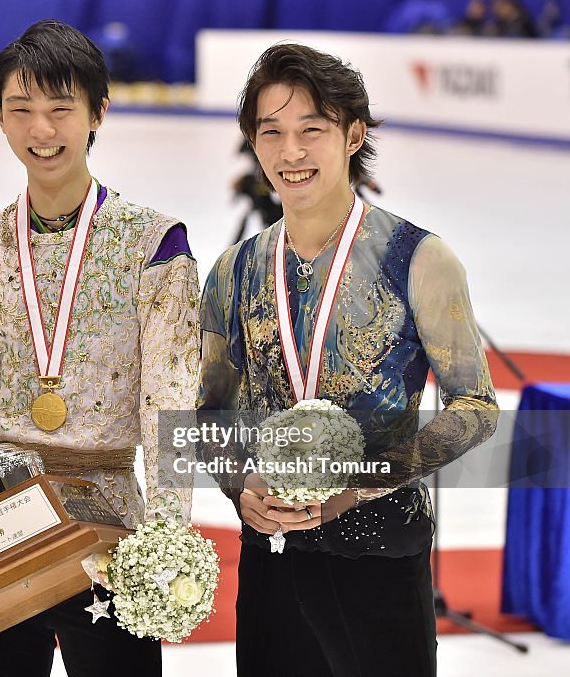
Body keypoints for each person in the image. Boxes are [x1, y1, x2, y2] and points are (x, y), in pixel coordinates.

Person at [198, 44, 498, 675]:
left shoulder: (420, 259)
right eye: (271, 132)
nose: (292, 152)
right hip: (273, 550)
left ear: (354, 135)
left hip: (381, 552)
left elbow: (475, 407)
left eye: (313, 129)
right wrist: (240, 488)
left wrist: (365, 480)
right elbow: (210, 414)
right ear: (252, 143)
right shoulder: (235, 270)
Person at [0, 19, 198, 677]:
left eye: (60, 109)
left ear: (98, 112)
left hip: (111, 525)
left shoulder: (154, 244)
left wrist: (168, 537)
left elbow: (171, 403)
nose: (41, 130)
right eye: (21, 109)